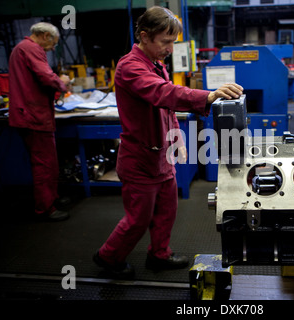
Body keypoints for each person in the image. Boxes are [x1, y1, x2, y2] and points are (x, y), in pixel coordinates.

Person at [93, 6, 243, 277]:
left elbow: (167, 108)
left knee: (167, 211)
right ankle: (108, 257)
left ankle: (159, 255)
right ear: (144, 36)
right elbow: (162, 93)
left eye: (173, 43)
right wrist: (207, 96)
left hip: (162, 155)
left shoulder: (155, 63)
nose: (170, 49)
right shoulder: (130, 67)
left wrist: (176, 138)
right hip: (139, 159)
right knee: (138, 219)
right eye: (165, 42)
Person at [8, 22, 71, 222]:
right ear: (44, 36)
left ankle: (51, 198)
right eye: (53, 43)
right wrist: (63, 82)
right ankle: (46, 208)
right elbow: (46, 76)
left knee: (48, 162)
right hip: (33, 116)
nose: (53, 48)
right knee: (44, 164)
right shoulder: (31, 49)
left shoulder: (21, 49)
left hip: (30, 114)